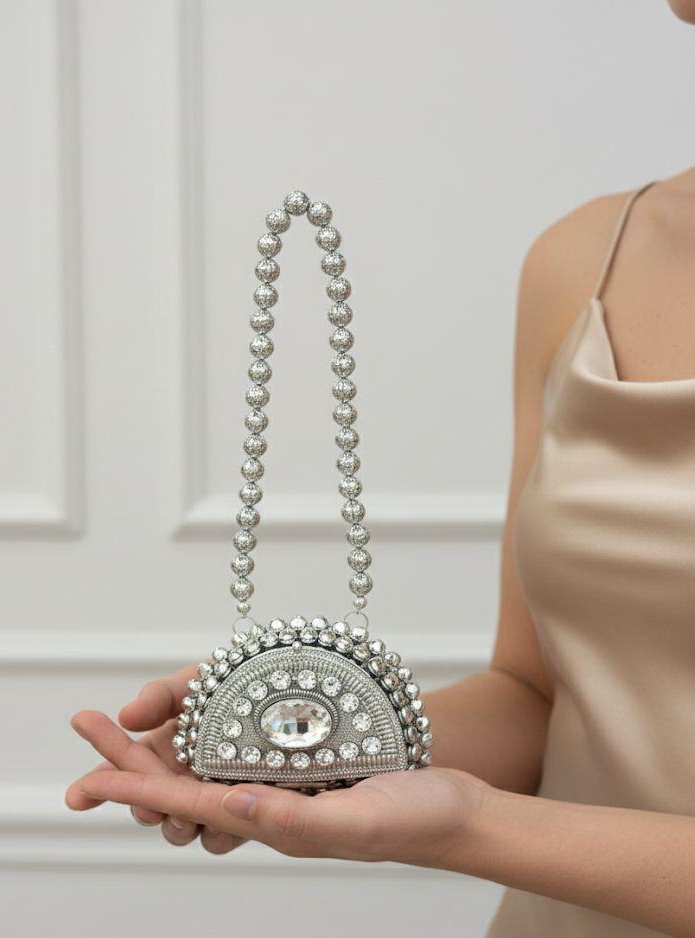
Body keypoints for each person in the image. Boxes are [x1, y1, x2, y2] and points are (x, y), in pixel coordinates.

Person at [66, 5, 695, 934]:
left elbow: (486, 810)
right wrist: (308, 737)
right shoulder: (583, 259)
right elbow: (535, 695)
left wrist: (468, 824)